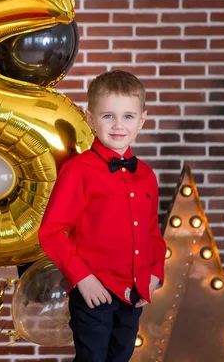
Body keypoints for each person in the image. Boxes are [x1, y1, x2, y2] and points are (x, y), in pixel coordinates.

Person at [38, 70, 166, 362]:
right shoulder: (77, 171)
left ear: (142, 120)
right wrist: (83, 278)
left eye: (128, 117)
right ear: (90, 118)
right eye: (108, 116)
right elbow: (52, 231)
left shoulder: (146, 175)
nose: (119, 125)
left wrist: (155, 273)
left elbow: (151, 232)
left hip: (134, 293)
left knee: (120, 357)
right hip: (94, 291)